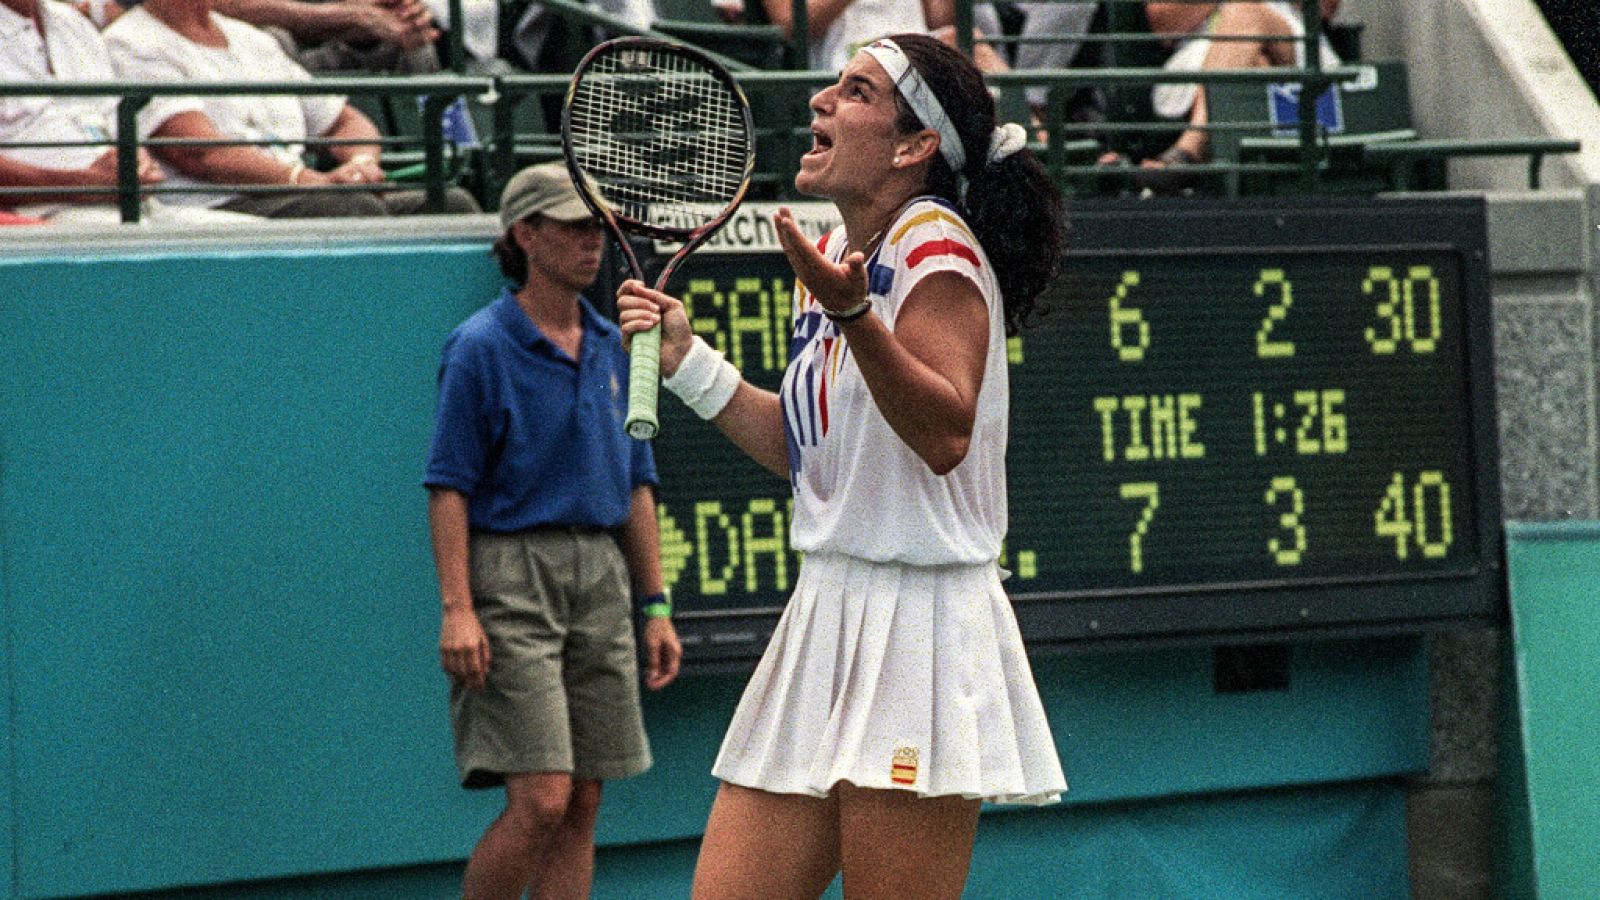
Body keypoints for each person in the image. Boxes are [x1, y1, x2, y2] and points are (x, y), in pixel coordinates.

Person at [617, 33, 1066, 899]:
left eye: (856, 91)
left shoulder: (937, 249)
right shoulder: (831, 257)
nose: (823, 101)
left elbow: (943, 437)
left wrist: (855, 312)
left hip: (923, 627)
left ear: (913, 145)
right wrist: (687, 361)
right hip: (825, 609)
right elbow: (806, 453)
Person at [424, 162, 682, 900]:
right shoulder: (477, 347)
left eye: (597, 225)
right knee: (540, 799)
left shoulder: (613, 345)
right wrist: (459, 608)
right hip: (511, 579)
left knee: (584, 803)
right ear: (526, 235)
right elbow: (447, 487)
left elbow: (637, 483)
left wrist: (654, 605)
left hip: (600, 581)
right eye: (573, 225)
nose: (593, 240)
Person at [103, 0, 479, 218]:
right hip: (218, 206)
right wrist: (311, 181)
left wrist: (361, 163)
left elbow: (345, 120)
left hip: (305, 194)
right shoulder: (131, 42)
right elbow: (201, 155)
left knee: (449, 204)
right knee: (347, 210)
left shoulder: (251, 39)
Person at [0, 0, 256, 226]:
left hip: (137, 203)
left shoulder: (71, 23)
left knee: (253, 238)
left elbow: (114, 116)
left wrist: (136, 162)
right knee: (154, 253)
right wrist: (79, 184)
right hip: (42, 214)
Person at [1137, 0, 1340, 174]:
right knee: (1254, 59)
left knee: (1247, 12)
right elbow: (1163, 24)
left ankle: (1190, 150)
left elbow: (1326, 8)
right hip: (1204, 53)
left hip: (1294, 47)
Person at [209, 0, 441, 74]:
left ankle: (446, 159)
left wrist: (396, 15)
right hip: (240, 63)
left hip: (330, 53)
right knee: (272, 39)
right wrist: (343, 16)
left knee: (412, 37)